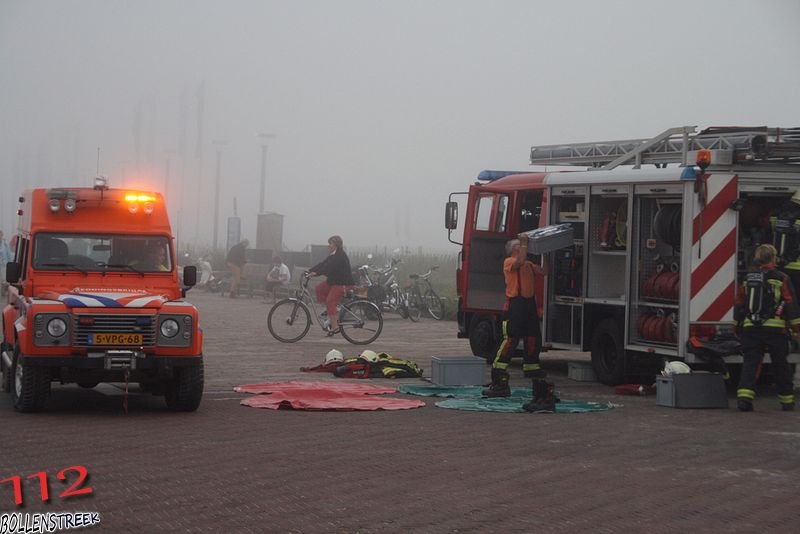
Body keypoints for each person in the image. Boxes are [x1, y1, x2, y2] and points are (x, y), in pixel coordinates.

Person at [734, 244, 800, 412]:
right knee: (780, 365)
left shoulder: (748, 278)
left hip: (751, 328)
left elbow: (740, 302)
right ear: (774, 258)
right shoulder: (781, 278)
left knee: (750, 363)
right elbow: (790, 304)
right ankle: (787, 401)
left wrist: (736, 325)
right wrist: (796, 328)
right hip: (776, 330)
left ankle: (744, 399)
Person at [484, 233, 549, 398]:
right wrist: (525, 242)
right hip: (514, 305)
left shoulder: (528, 264)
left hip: (528, 306)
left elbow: (544, 271)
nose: (523, 248)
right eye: (520, 246)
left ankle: (531, 367)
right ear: (514, 249)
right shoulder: (510, 262)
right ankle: (498, 371)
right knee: (511, 338)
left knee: (533, 336)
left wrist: (546, 253)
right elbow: (519, 262)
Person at [308, 235, 354, 336]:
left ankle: (335, 326)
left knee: (330, 301)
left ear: (336, 244)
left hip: (343, 283)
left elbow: (329, 268)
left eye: (331, 243)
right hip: (334, 281)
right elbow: (323, 264)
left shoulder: (340, 255)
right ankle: (332, 310)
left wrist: (316, 273)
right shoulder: (333, 255)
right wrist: (310, 271)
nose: (329, 246)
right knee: (319, 289)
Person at [770, 189, 800, 296]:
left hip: (779, 265)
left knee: (784, 296)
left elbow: (771, 232)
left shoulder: (778, 214)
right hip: (797, 266)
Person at [0, 231, 12, 295]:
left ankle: (3, 292)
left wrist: (10, 264)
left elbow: (9, 254)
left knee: (3, 280)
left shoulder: (5, 244)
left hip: (3, 264)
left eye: (0, 235)